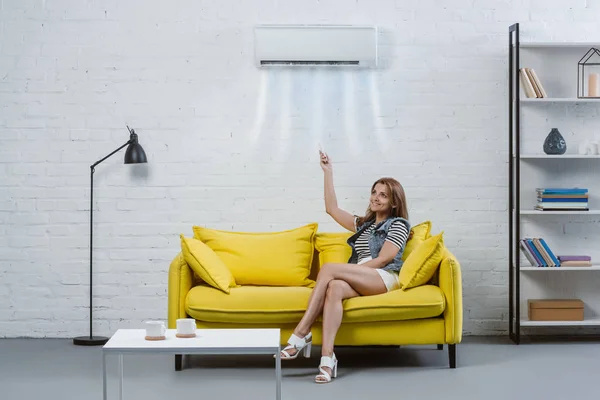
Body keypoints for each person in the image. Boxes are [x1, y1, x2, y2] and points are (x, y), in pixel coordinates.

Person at [278, 149, 412, 384]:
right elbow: (332, 209)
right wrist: (328, 172)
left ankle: (300, 334)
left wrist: (353, 271)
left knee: (330, 269)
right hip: (360, 276)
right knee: (335, 288)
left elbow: (383, 260)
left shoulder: (399, 224)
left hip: (382, 276)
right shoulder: (364, 224)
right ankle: (327, 360)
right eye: (374, 192)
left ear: (393, 202)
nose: (376, 197)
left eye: (383, 195)